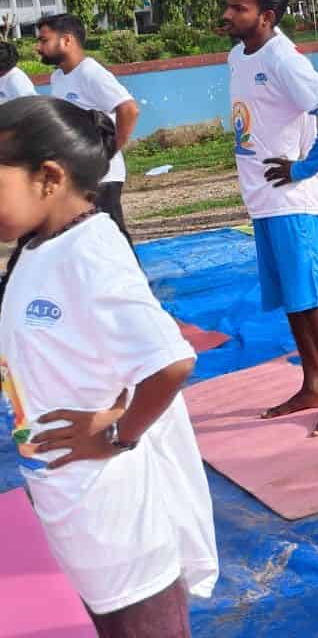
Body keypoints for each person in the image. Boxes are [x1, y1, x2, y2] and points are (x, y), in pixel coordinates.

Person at [0, 96, 218, 636]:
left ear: (49, 177)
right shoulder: (36, 246)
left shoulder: (91, 253)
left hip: (118, 520)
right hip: (65, 496)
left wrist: (119, 433)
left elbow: (170, 362)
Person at [222, 0, 318, 436]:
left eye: (238, 8)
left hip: (291, 201)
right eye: (229, 5)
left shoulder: (283, 58)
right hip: (262, 200)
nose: (228, 14)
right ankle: (313, 382)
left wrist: (304, 167)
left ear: (267, 16)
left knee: (314, 296)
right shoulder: (238, 55)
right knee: (292, 300)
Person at [37, 13, 139, 240]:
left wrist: (109, 152)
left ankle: (131, 275)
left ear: (66, 41)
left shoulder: (90, 72)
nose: (38, 47)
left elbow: (129, 109)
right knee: (87, 236)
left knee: (112, 235)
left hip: (103, 176)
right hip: (79, 174)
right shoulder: (58, 77)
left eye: (44, 40)